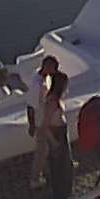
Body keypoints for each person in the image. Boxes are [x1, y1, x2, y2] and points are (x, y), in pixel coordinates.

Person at [27, 55, 69, 189]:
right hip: (41, 121)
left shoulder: (46, 79)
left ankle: (47, 172)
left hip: (46, 119)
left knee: (45, 149)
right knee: (41, 151)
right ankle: (34, 179)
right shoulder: (37, 84)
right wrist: (32, 124)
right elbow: (31, 105)